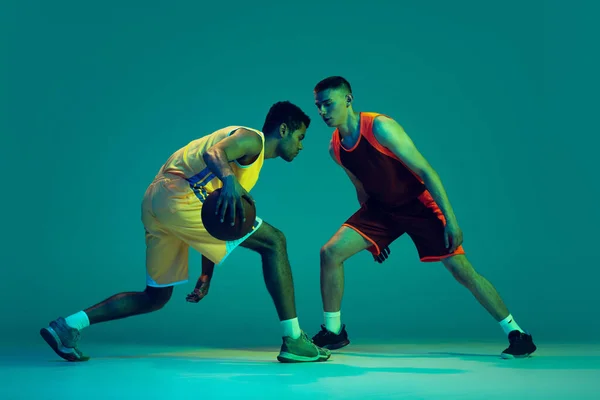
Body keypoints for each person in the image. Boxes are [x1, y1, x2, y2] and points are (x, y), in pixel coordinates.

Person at [40, 101, 331, 364]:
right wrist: (229, 180)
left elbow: (217, 220)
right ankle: (293, 339)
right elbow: (213, 154)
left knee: (155, 297)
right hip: (178, 195)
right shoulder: (251, 139)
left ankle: (68, 326)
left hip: (157, 202)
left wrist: (206, 273)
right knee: (274, 241)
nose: (301, 146)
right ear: (283, 129)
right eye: (300, 137)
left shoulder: (248, 165)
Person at [310, 76, 537, 359]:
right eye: (318, 106)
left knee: (462, 271)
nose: (322, 112)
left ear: (348, 99)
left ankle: (517, 334)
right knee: (330, 252)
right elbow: (361, 188)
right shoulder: (335, 148)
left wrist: (452, 220)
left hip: (418, 205)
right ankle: (334, 332)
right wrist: (371, 239)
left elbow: (427, 171)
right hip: (381, 210)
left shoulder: (380, 127)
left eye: (328, 104)